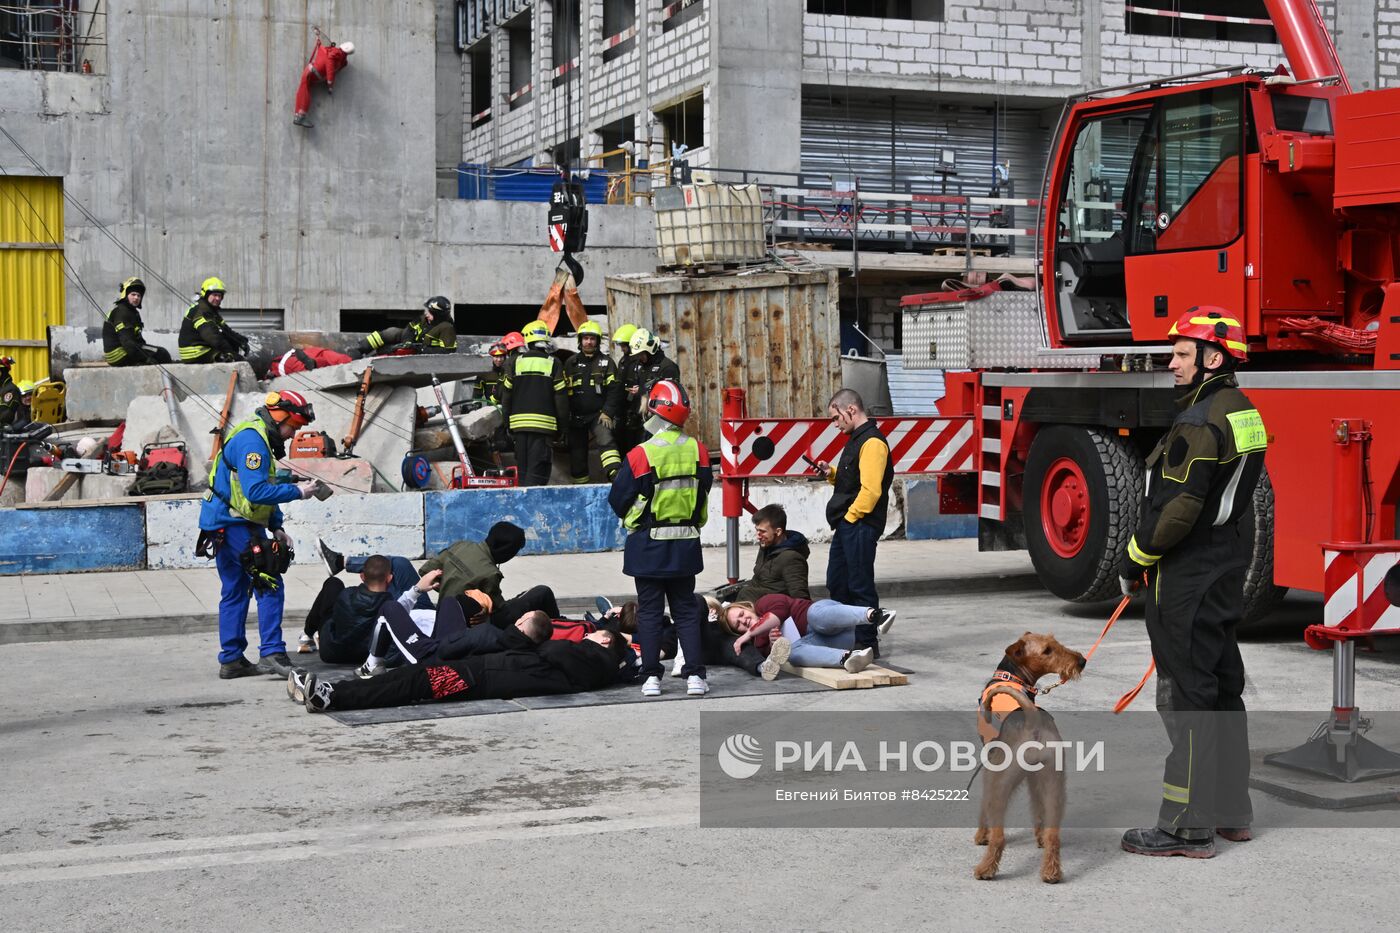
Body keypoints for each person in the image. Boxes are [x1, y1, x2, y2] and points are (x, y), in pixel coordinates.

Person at [1117, 307, 1265, 859]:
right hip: (1226, 564)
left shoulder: (1200, 420)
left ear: (1213, 358)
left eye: (1182, 354)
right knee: (1223, 689)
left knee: (1187, 697)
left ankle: (1185, 824)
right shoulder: (1244, 411)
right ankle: (1232, 811)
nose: (1171, 363)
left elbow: (1179, 507)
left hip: (1189, 573)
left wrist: (1135, 558)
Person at [199, 390, 329, 679]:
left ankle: (231, 659)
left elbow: (261, 489)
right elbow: (256, 491)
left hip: (226, 523)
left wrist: (277, 526)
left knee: (234, 590)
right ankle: (272, 653)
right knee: (269, 581)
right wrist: (299, 491)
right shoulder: (252, 442)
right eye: (292, 428)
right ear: (279, 417)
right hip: (234, 524)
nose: (290, 435)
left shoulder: (254, 436)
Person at [609, 379, 712, 698]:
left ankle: (652, 677)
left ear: (654, 410)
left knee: (650, 612)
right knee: (686, 610)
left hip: (648, 546)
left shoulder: (641, 453)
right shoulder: (699, 450)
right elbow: (703, 489)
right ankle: (694, 676)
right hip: (685, 545)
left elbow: (618, 499)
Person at [293, 628, 636, 713]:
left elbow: (552, 649)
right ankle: (330, 690)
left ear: (604, 641)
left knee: (408, 684)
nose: (586, 633)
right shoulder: (590, 659)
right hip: (483, 671)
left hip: (482, 676)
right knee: (406, 679)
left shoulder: (589, 658)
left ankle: (332, 697)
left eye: (594, 633)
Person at [816, 387, 892, 657]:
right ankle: (848, 636)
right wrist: (832, 473)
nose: (834, 424)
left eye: (835, 418)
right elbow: (856, 480)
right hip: (849, 524)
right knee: (837, 582)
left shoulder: (872, 443)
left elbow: (871, 491)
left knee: (859, 584)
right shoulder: (857, 439)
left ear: (850, 410)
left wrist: (850, 517)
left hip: (859, 524)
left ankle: (867, 643)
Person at [411, 522, 561, 626]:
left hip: (445, 614)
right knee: (542, 592)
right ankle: (561, 627)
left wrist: (449, 585)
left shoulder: (461, 545)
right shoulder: (490, 573)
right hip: (476, 624)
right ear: (506, 552)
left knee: (522, 597)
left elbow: (425, 571)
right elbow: (498, 609)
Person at [720, 594, 896, 673]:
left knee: (815, 617)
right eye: (739, 625)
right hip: (837, 640)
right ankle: (849, 658)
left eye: (742, 614)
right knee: (793, 654)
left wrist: (748, 634)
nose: (744, 621)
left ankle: (876, 615)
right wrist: (775, 645)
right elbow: (776, 659)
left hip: (831, 618)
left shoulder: (764, 603)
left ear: (747, 607)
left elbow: (777, 615)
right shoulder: (759, 643)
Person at [501, 320, 568, 486]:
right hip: (544, 428)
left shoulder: (515, 362)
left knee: (522, 471)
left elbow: (506, 396)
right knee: (538, 472)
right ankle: (535, 509)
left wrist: (506, 423)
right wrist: (563, 428)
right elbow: (561, 399)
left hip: (519, 427)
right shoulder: (554, 363)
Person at [299, 554, 395, 663]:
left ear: (362, 576)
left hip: (331, 654)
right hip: (367, 657)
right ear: (389, 578)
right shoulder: (392, 606)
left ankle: (307, 634)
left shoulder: (346, 594)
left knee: (333, 583)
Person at [564, 320, 623, 483]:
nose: (588, 342)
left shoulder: (607, 363)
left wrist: (608, 412)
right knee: (577, 451)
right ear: (580, 341)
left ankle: (616, 478)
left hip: (599, 415)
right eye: (585, 338)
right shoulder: (571, 363)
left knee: (607, 441)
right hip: (575, 417)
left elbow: (615, 390)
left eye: (592, 338)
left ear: (597, 341)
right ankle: (580, 486)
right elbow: (563, 392)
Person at [718, 504, 811, 603]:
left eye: (762, 531)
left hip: (773, 610)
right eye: (757, 530)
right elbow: (758, 580)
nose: (758, 536)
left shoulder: (791, 558)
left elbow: (801, 598)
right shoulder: (766, 546)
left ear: (778, 531)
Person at [627, 329, 681, 441]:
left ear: (649, 350)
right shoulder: (643, 366)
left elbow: (669, 397)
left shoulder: (668, 367)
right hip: (642, 421)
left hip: (660, 422)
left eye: (641, 354)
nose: (639, 358)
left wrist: (642, 392)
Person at [356, 296, 457, 357]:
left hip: (420, 355)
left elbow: (448, 352)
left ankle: (378, 356)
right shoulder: (423, 319)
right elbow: (409, 329)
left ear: (438, 315)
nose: (426, 314)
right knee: (392, 332)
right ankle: (360, 349)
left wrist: (420, 349)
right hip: (410, 344)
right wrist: (408, 341)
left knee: (389, 351)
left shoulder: (447, 328)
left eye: (429, 312)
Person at [104, 277, 171, 366]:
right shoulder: (123, 312)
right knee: (162, 354)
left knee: (158, 353)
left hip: (122, 352)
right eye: (133, 294)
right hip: (120, 355)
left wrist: (146, 352)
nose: (136, 298)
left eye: (139, 296)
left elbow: (138, 340)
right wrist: (146, 359)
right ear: (125, 295)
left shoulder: (131, 312)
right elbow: (128, 343)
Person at [179, 277, 249, 363]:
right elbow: (212, 337)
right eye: (214, 295)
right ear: (206, 294)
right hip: (196, 352)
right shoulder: (201, 311)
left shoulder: (211, 310)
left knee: (232, 343)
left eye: (219, 296)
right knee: (228, 356)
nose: (217, 298)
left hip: (203, 348)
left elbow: (226, 331)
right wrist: (231, 353)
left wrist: (241, 341)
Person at [293, 30, 354, 127]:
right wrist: (330, 83)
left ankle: (299, 116)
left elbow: (327, 58)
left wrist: (319, 38)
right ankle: (299, 116)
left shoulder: (336, 55)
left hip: (312, 74)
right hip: (312, 73)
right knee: (304, 91)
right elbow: (330, 65)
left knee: (304, 90)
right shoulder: (336, 55)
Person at [611, 323, 640, 452]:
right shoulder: (623, 361)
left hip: (635, 412)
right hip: (622, 411)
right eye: (620, 345)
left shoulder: (639, 361)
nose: (622, 348)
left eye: (624, 345)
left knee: (633, 446)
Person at [0, 357, 20, 429]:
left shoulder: (10, 389)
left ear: (2, 371)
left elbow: (6, 414)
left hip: (6, 430)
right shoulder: (2, 388)